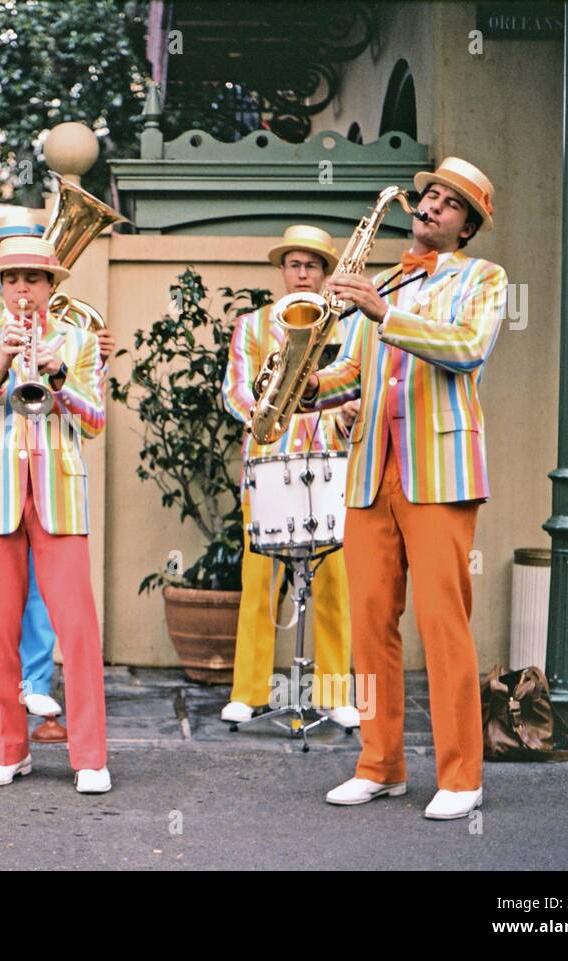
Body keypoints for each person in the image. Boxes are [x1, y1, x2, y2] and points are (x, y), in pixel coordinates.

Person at [300, 158, 507, 820]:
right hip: (370, 470)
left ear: (466, 227)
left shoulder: (484, 279)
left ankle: (462, 775)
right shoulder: (382, 279)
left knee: (443, 623)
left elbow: (467, 348)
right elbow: (354, 370)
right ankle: (379, 763)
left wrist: (382, 310)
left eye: (449, 204)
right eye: (430, 196)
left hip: (438, 471)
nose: (431, 206)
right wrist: (305, 385)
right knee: (369, 625)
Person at [0, 234, 110, 793]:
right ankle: (7, 749)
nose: (22, 288)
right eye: (11, 279)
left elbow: (93, 422)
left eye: (32, 279)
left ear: (49, 288)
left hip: (58, 494)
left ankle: (89, 756)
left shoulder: (80, 341)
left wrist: (58, 371)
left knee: (79, 629)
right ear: (0, 286)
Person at [220, 225, 360, 731]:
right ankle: (249, 691)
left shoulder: (345, 326)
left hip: (328, 467)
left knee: (334, 582)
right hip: (266, 467)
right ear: (282, 271)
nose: (303, 273)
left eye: (313, 266)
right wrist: (270, 411)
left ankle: (334, 692)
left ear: (325, 274)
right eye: (295, 265)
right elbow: (235, 394)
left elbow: (355, 387)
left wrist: (350, 413)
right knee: (259, 581)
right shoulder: (253, 326)